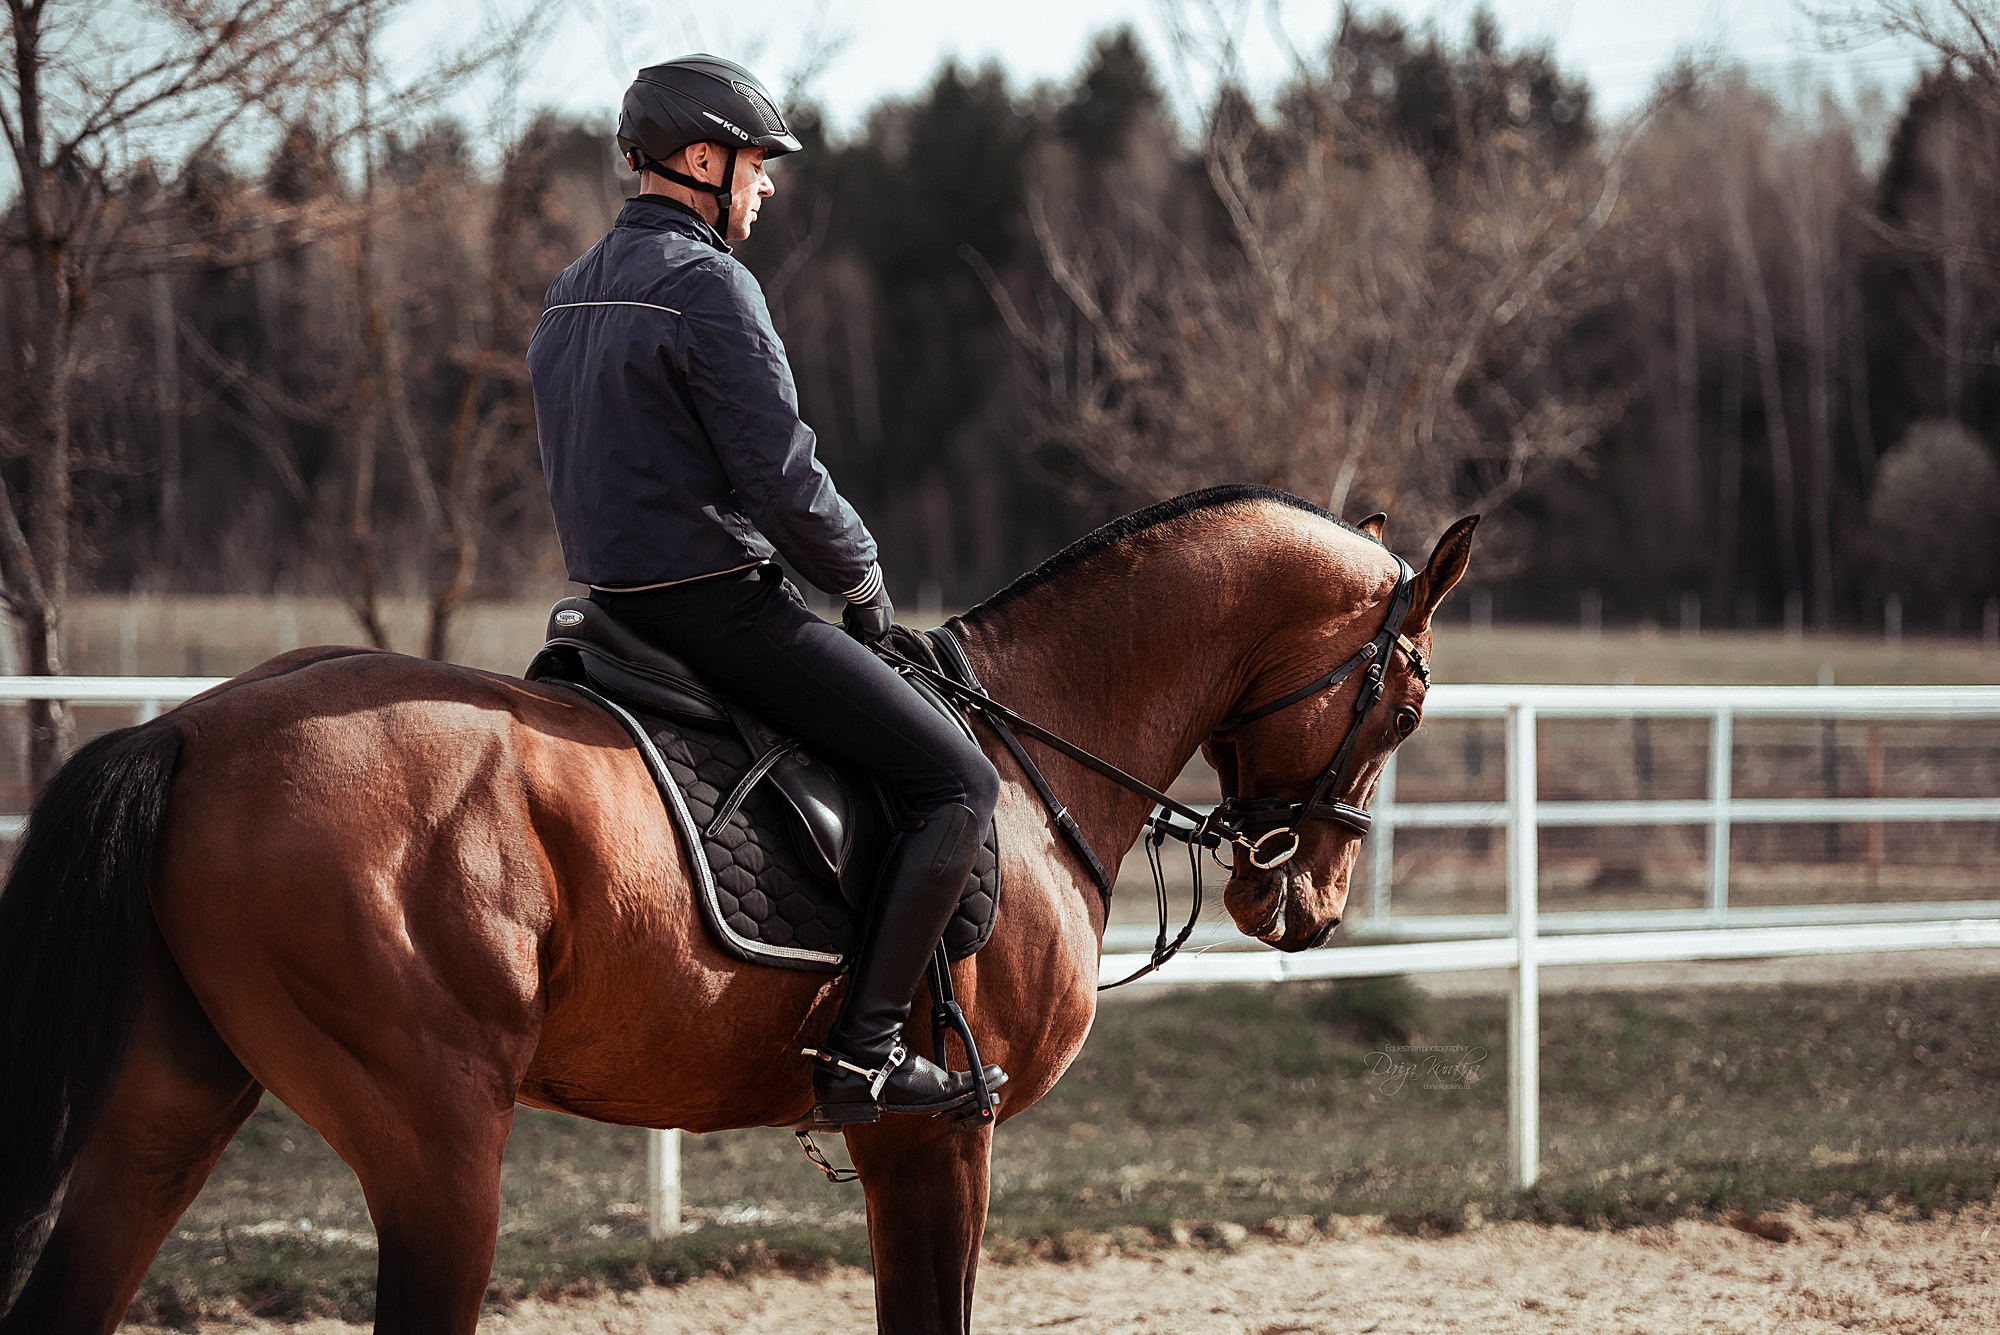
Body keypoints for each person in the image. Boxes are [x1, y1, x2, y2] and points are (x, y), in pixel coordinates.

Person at [525, 55, 1004, 1126]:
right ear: (700, 160)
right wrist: (862, 579)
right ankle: (865, 1053)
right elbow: (781, 477)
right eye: (756, 162)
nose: (767, 185)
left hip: (609, 613)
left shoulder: (568, 292)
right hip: (720, 612)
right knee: (957, 786)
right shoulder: (707, 286)